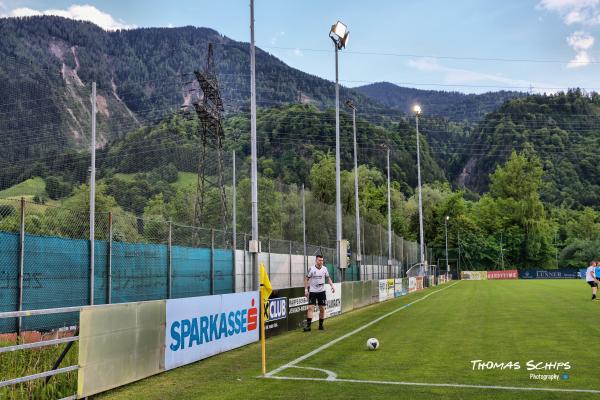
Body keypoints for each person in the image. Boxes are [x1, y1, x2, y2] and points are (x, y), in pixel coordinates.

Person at [303, 255, 335, 331]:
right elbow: (306, 279)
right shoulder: (311, 269)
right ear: (316, 260)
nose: (321, 262)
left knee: (322, 309)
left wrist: (332, 286)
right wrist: (306, 289)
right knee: (310, 308)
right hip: (313, 291)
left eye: (322, 260)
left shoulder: (325, 269)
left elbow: (328, 278)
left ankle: (320, 325)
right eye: (319, 260)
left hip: (322, 292)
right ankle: (308, 326)